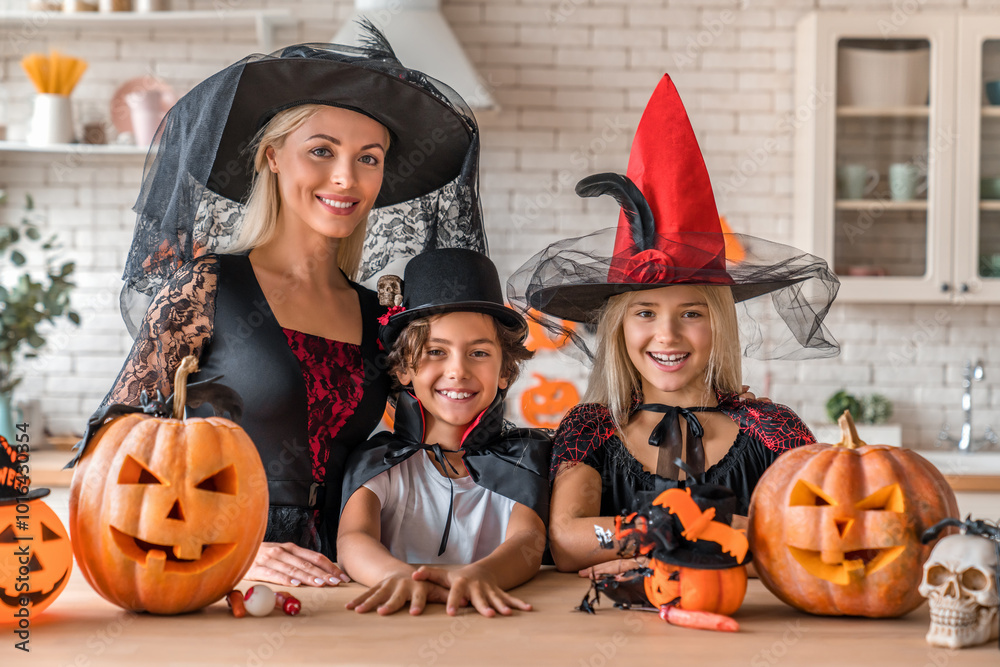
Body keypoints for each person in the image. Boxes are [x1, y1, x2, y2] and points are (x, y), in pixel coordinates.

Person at [85, 32, 487, 588]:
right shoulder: (208, 288)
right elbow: (111, 451)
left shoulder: (379, 315)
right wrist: (230, 547)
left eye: (368, 158)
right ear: (272, 156)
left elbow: (422, 448)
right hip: (220, 572)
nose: (346, 177)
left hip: (351, 574)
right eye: (321, 151)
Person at [506, 74, 841, 576]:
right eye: (645, 313)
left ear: (719, 324)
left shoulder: (773, 431)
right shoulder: (594, 428)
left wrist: (639, 540)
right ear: (619, 327)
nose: (667, 335)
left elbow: (810, 534)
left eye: (691, 313)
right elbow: (570, 540)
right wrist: (713, 535)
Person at [338, 248, 551, 617]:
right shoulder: (379, 464)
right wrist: (395, 574)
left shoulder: (523, 460)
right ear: (404, 368)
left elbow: (527, 540)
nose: (458, 371)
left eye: (479, 353)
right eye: (436, 351)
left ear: (505, 371)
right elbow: (353, 539)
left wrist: (481, 574)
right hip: (394, 628)